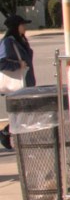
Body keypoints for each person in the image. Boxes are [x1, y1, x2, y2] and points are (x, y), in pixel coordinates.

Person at [0, 14, 36, 150]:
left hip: (26, 82)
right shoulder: (8, 42)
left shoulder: (20, 40)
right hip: (16, 85)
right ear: (16, 27)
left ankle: (11, 135)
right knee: (22, 112)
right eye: (23, 25)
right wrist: (17, 65)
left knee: (24, 112)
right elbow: (1, 63)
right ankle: (7, 134)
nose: (25, 27)